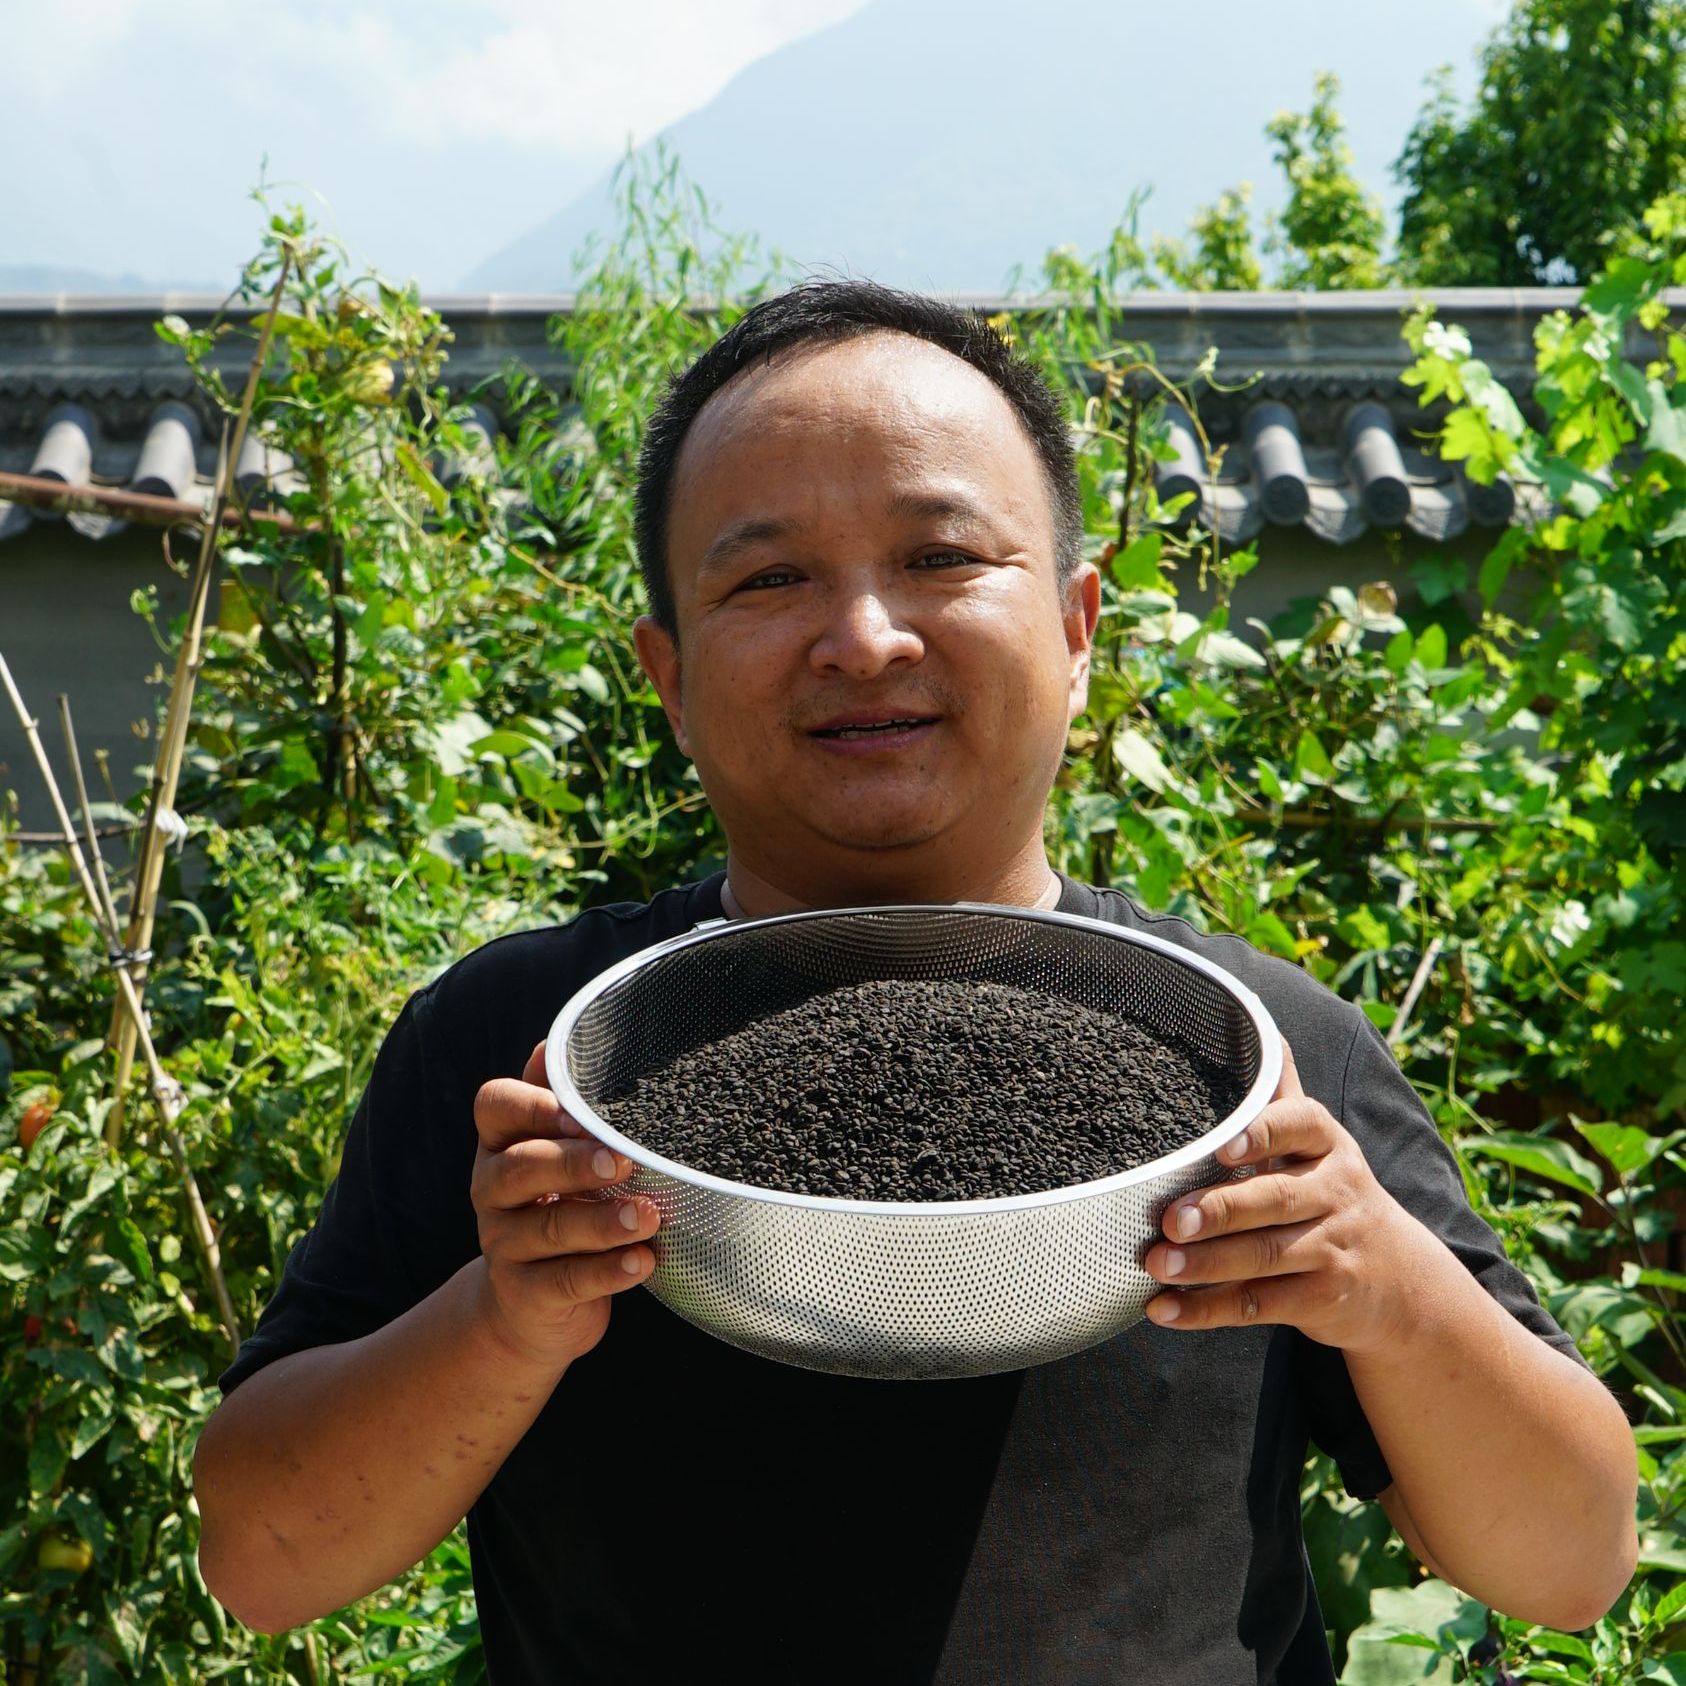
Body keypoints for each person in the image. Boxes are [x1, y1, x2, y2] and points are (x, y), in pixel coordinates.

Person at [192, 280, 1637, 1684]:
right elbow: (263, 1557)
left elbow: (1570, 1560)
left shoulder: (1254, 1060)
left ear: (1076, 630)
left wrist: (1384, 1284)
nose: (865, 636)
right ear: (669, 674)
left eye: (942, 557)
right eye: (768, 578)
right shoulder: (523, 1061)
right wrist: (503, 1319)